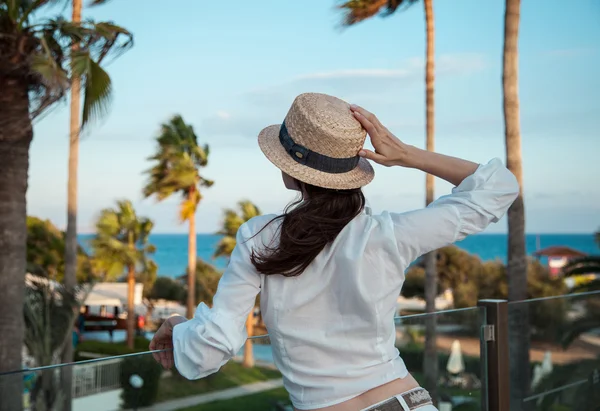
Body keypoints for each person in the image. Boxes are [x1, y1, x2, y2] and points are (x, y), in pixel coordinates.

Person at [150, 93, 519, 411]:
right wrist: (406, 155)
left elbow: (211, 350)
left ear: (290, 171)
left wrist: (180, 327)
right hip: (409, 401)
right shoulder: (390, 234)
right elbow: (498, 188)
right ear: (350, 169)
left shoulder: (258, 237)